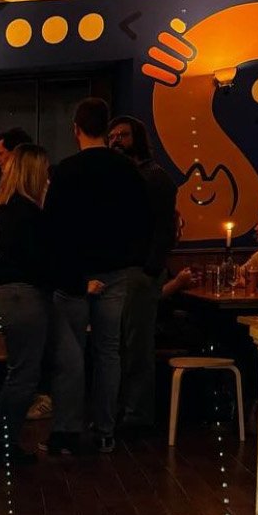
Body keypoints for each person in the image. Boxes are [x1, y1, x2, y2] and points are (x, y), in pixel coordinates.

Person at [42, 97, 152, 455]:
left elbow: (53, 228)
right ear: (107, 129)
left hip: (75, 274)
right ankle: (105, 430)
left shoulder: (66, 171)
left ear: (76, 129)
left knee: (70, 353)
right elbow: (142, 220)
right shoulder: (126, 170)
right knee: (108, 352)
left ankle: (68, 430)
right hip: (116, 271)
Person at [109, 115, 179, 435]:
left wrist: (150, 268)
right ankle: (126, 409)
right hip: (125, 270)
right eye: (112, 136)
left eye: (123, 135)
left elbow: (165, 228)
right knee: (122, 346)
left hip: (140, 271)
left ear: (137, 137)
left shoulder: (154, 176)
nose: (117, 140)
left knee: (136, 347)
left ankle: (137, 415)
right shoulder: (126, 175)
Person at [0, 144, 52, 464]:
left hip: (2, 298)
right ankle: (3, 445)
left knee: (16, 373)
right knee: (24, 376)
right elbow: (43, 265)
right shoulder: (32, 214)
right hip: (25, 298)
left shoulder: (1, 211)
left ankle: (0, 442)